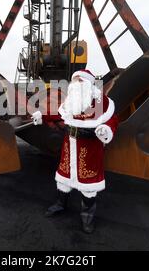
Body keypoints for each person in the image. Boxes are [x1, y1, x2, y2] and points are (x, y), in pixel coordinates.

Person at [32, 70, 119, 234]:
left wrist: (106, 129)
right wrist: (42, 116)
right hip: (69, 147)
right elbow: (57, 114)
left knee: (88, 186)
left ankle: (87, 216)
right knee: (63, 180)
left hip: (90, 149)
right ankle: (60, 204)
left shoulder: (102, 102)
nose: (77, 83)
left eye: (81, 80)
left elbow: (113, 119)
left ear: (89, 83)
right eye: (75, 80)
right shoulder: (70, 101)